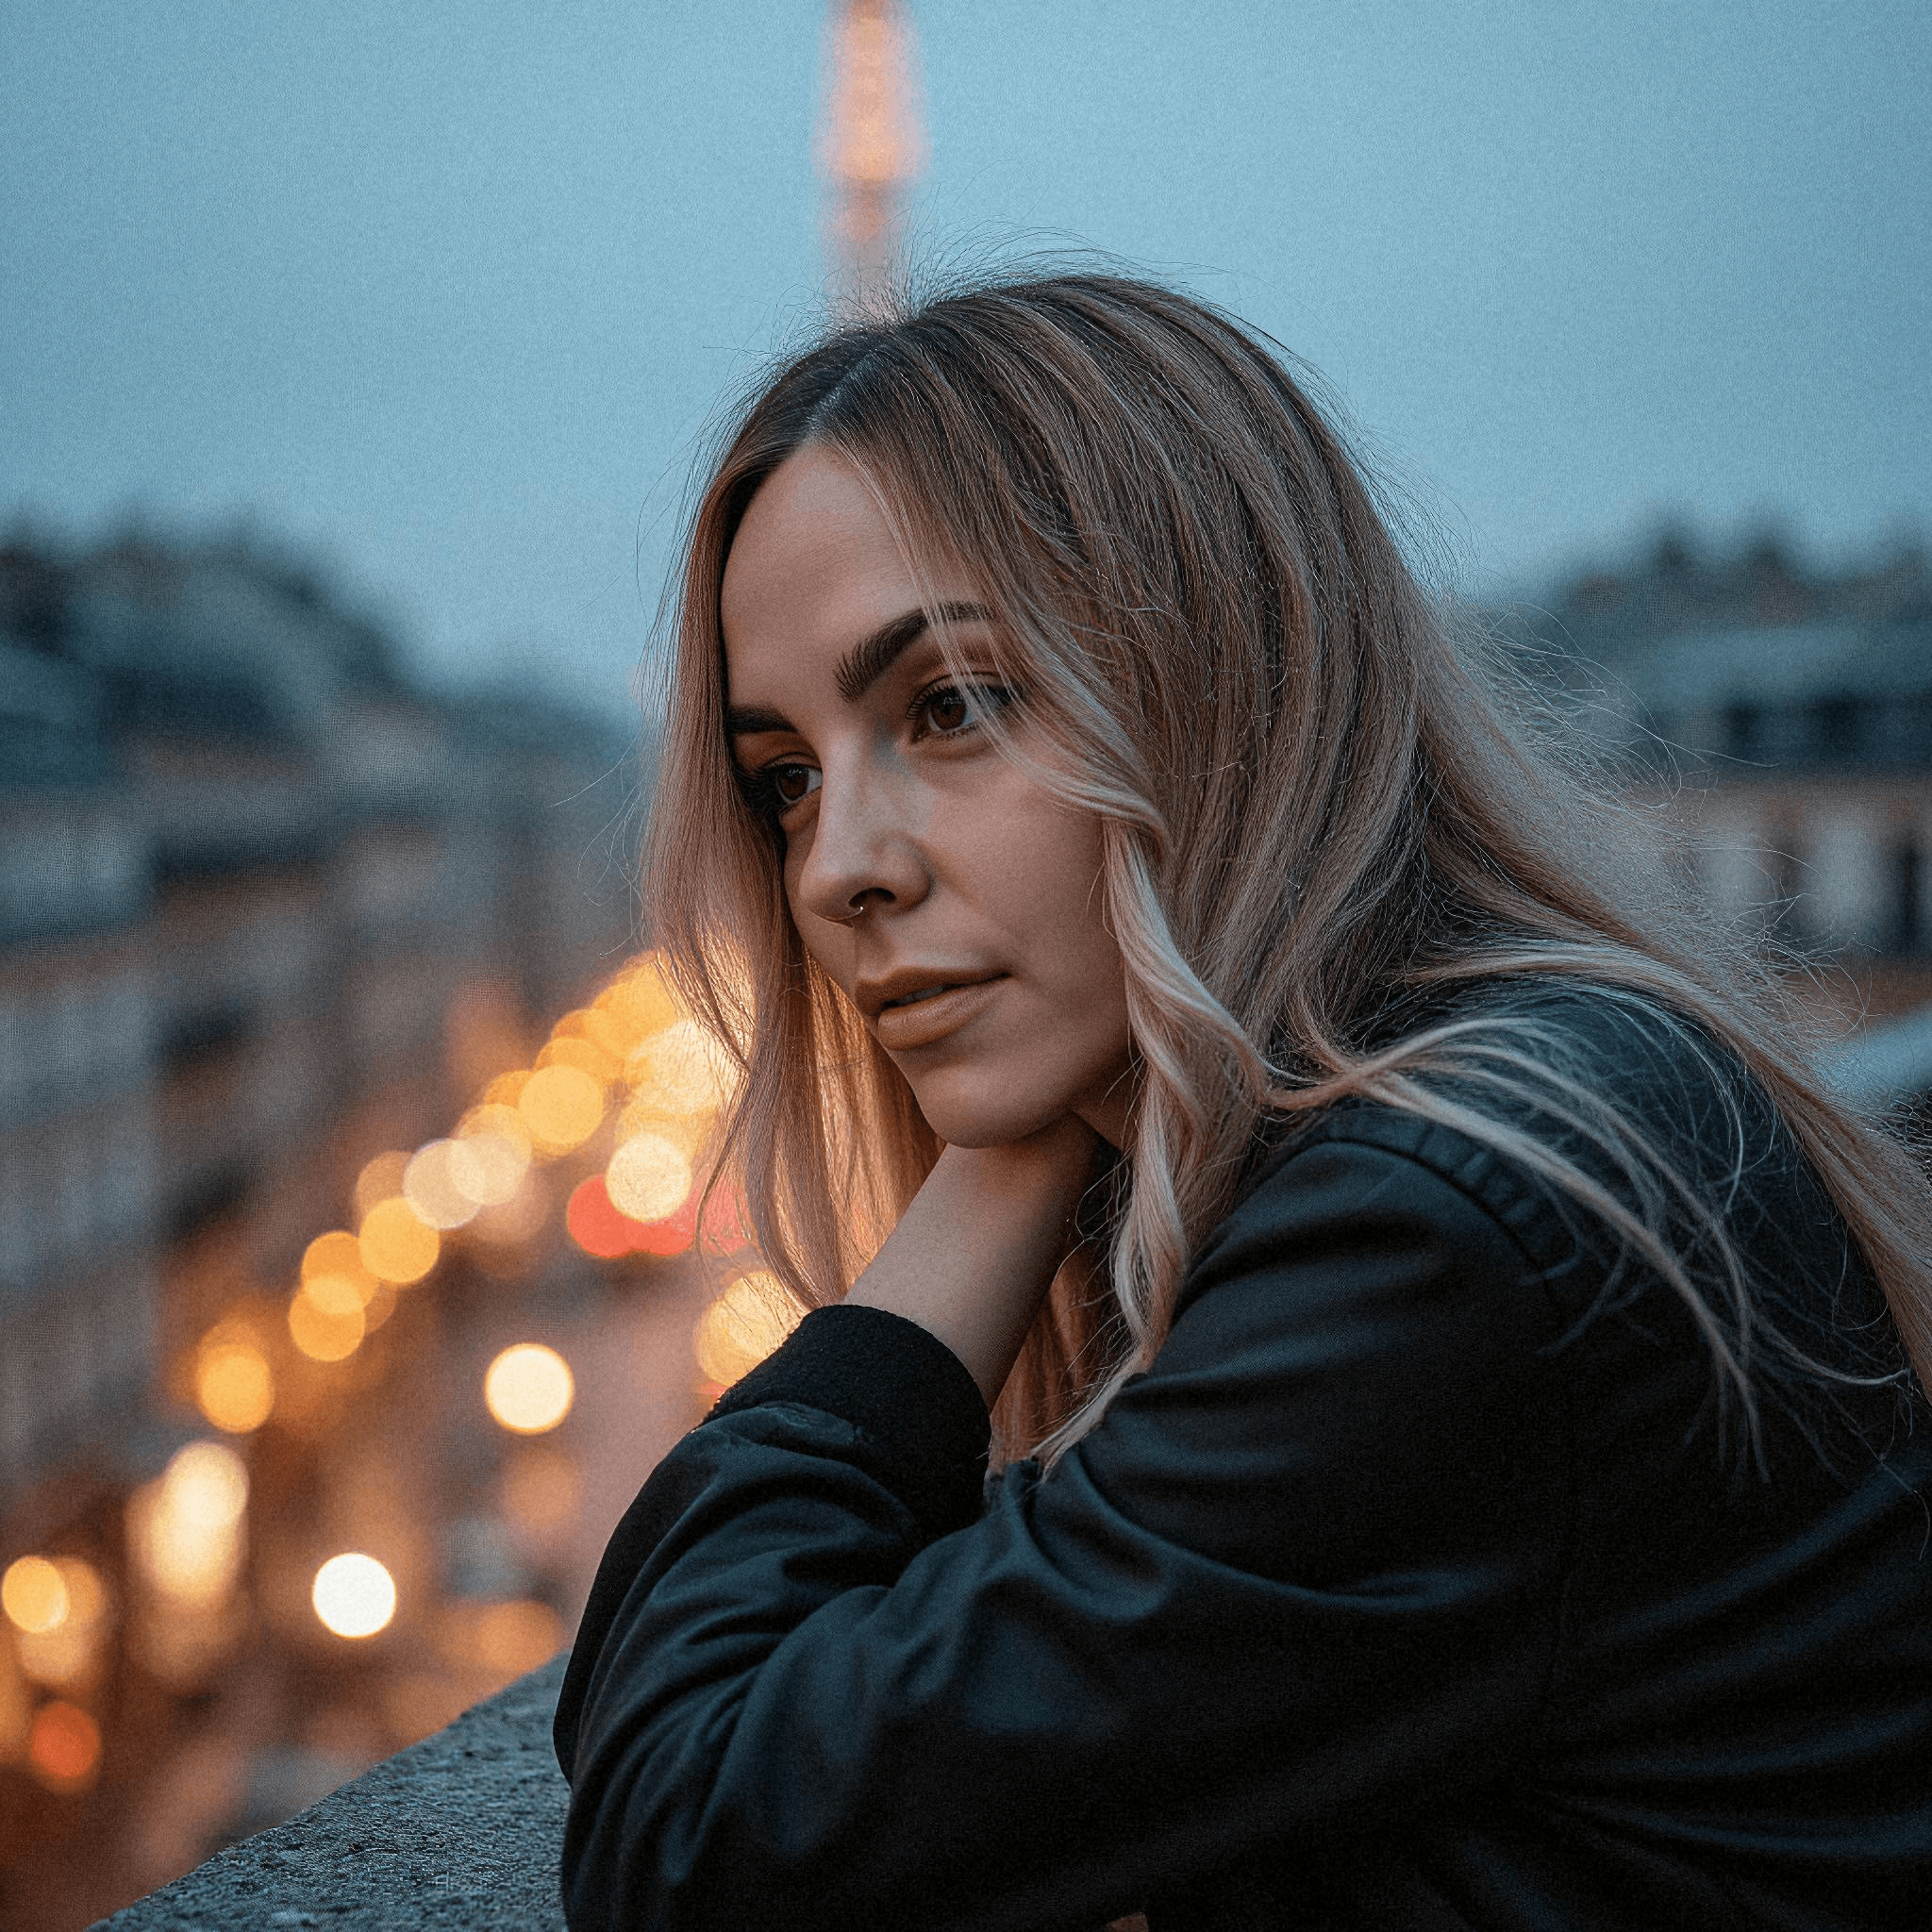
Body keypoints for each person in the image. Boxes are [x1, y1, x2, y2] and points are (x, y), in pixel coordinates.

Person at [551, 271, 1932, 1931]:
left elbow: (699, 1834)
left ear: (1224, 686)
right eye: (786, 780)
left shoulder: (1445, 1228)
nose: (838, 868)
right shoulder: (1476, 1115)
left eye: (954, 705)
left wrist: (984, 1180)